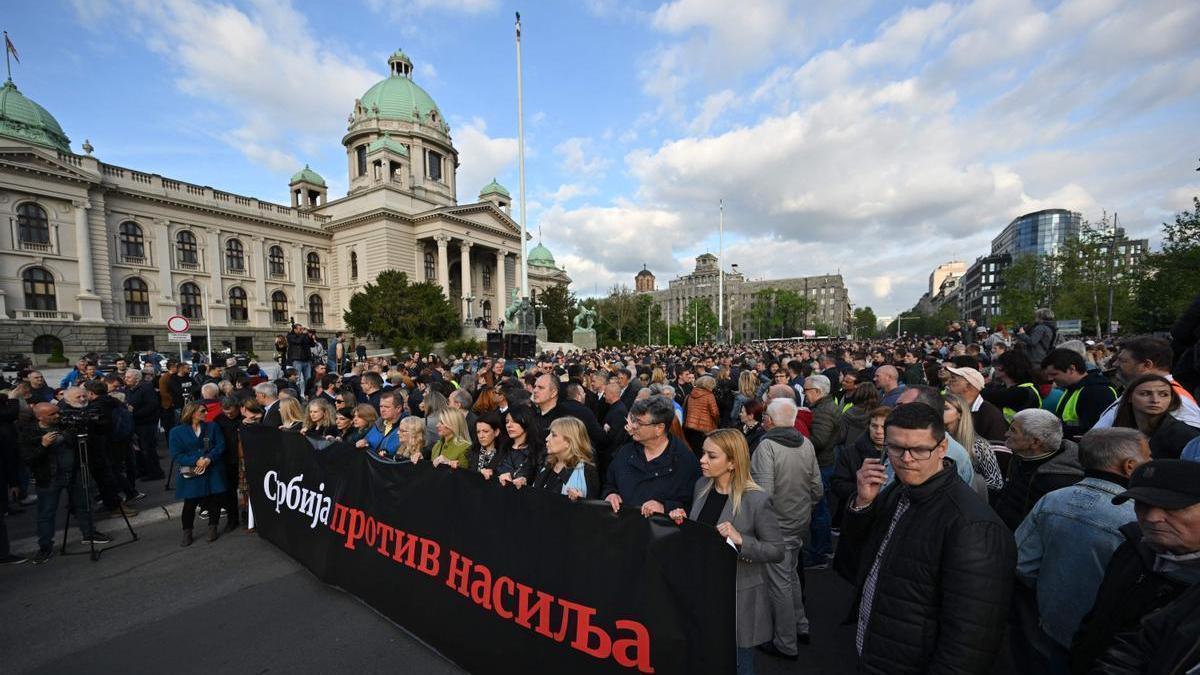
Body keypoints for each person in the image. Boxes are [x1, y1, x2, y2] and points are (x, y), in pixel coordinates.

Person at [837, 403, 1015, 673]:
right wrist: (863, 503)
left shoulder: (973, 526)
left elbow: (970, 641)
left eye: (920, 450)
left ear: (942, 448)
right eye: (896, 448)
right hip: (878, 652)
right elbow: (857, 560)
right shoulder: (898, 492)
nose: (906, 459)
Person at [1012, 427, 1150, 671]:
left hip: (1050, 629)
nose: (1151, 462)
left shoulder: (1052, 500)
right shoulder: (1140, 519)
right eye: (1148, 457)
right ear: (1129, 465)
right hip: (1108, 648)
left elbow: (1022, 564)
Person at [1069, 459, 1200, 672]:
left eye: (1172, 506)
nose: (1152, 517)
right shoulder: (1133, 548)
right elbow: (1097, 619)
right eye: (1143, 504)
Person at [670, 429, 783, 675]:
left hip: (737, 596)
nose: (702, 460)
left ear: (732, 462)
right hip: (701, 589)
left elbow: (777, 551)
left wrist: (741, 539)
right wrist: (682, 523)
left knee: (739, 664)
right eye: (703, 454)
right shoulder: (701, 486)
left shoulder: (756, 500)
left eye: (711, 456)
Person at [750, 398, 823, 658]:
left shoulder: (767, 446)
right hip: (798, 521)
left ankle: (785, 642)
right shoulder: (806, 443)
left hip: (776, 525)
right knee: (790, 577)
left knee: (779, 584)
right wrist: (803, 511)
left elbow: (763, 493)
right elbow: (817, 488)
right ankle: (800, 625)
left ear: (768, 420)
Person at [20, 402, 110, 564]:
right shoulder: (29, 432)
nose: (57, 416)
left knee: (84, 504)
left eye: (57, 413)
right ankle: (45, 546)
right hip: (49, 477)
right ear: (39, 417)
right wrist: (43, 445)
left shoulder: (67, 425)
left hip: (74, 472)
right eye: (52, 414)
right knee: (47, 513)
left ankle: (89, 533)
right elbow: (28, 459)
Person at [603, 395, 701, 517]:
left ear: (659, 428)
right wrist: (611, 494)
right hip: (621, 528)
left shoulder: (685, 462)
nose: (633, 426)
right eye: (634, 420)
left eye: (639, 422)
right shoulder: (625, 452)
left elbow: (692, 505)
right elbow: (609, 483)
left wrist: (664, 507)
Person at [991, 408, 1084, 530]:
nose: (1006, 434)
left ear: (1035, 442)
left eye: (1013, 430)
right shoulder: (1021, 456)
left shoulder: (1060, 480)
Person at [1095, 335, 1200, 429]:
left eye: (1123, 361)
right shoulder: (1140, 390)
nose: (1115, 364)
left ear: (1146, 365)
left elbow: (1188, 444)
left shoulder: (1177, 400)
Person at [170, 401, 228, 546]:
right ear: (192, 412)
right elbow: (177, 455)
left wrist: (208, 458)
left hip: (212, 468)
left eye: (206, 410)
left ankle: (212, 528)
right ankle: (187, 532)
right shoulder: (176, 432)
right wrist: (197, 460)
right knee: (189, 504)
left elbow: (220, 445)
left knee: (214, 500)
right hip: (192, 471)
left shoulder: (212, 427)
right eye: (202, 411)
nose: (206, 413)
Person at [1111, 373, 1200, 459]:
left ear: (1171, 399)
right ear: (1129, 397)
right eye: (1145, 394)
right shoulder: (1121, 429)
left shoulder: (1183, 435)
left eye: (1163, 394)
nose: (1155, 400)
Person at [802, 374, 840, 568]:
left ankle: (820, 553)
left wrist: (799, 440)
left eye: (806, 390)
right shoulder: (823, 407)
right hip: (823, 463)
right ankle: (821, 549)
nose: (804, 394)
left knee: (818, 509)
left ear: (817, 392)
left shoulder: (823, 411)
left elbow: (819, 440)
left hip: (821, 464)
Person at [1042, 348, 1117, 439]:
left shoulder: (1097, 392)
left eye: (1054, 374)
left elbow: (1096, 433)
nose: (1050, 379)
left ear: (1071, 369)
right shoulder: (1073, 388)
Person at [830, 406, 890, 517]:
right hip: (854, 513)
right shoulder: (850, 452)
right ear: (868, 426)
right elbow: (837, 484)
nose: (879, 431)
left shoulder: (898, 456)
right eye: (874, 426)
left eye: (884, 427)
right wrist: (862, 491)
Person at [943, 392, 1004, 491]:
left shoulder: (979, 445)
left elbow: (996, 482)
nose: (940, 411)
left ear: (960, 414)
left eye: (946, 408)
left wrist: (969, 483)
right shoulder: (936, 441)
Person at [532, 416, 599, 500]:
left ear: (569, 442)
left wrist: (580, 500)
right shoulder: (547, 464)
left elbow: (593, 506)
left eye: (553, 435)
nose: (547, 438)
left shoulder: (586, 470)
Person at [945, 365, 1009, 442]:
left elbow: (997, 450)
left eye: (953, 379)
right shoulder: (954, 408)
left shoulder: (989, 414)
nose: (948, 382)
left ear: (968, 386)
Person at [124, 367, 164, 480]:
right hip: (136, 423)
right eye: (126, 377)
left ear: (137, 378)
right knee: (139, 449)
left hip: (146, 423)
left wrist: (134, 412)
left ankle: (155, 472)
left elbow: (152, 405)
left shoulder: (146, 388)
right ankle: (143, 470)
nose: (126, 379)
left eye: (128, 377)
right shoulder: (129, 388)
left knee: (148, 449)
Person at [981, 350, 1042, 422]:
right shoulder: (1027, 388)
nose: (995, 367)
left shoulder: (1022, 392)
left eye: (998, 364)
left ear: (1004, 368)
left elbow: (988, 394)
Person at [213, 396, 243, 533]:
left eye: (231, 411)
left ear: (237, 408)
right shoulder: (218, 420)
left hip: (243, 459)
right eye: (226, 412)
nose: (229, 414)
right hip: (227, 460)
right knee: (229, 492)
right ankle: (232, 519)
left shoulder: (244, 417)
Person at [498, 405, 541, 488]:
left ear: (525, 421)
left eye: (514, 421)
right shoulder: (503, 447)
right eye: (507, 422)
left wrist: (525, 480)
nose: (509, 425)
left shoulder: (538, 450)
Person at [357, 391, 404, 459]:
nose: (382, 410)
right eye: (381, 406)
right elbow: (367, 439)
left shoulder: (407, 427)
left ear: (398, 408)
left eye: (387, 407)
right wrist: (364, 441)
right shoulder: (378, 423)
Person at [683, 375, 721, 454]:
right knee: (703, 451)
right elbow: (715, 413)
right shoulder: (709, 396)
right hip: (704, 429)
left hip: (690, 427)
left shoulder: (691, 394)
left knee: (693, 450)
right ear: (709, 385)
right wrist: (718, 423)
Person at [467, 412, 507, 479]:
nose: (481, 436)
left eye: (485, 431)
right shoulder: (471, 451)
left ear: (496, 432)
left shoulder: (505, 454)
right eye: (478, 432)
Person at [286, 322, 316, 395]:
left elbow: (312, 344)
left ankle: (308, 394)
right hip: (297, 360)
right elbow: (298, 341)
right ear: (295, 329)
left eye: (302, 329)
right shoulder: (290, 336)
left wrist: (310, 337)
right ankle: (297, 395)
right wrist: (304, 334)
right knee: (297, 379)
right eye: (300, 329)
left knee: (308, 379)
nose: (301, 330)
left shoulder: (304, 336)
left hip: (307, 360)